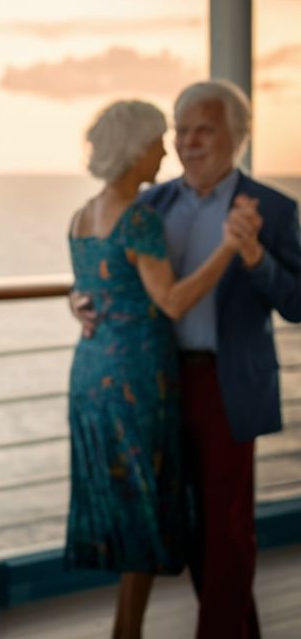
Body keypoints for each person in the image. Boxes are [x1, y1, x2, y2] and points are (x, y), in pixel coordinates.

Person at [71, 82, 301, 639]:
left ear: (238, 137)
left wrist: (253, 256)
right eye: (181, 129)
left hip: (224, 385)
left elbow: (296, 302)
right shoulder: (150, 202)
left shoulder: (272, 208)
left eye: (204, 129)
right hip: (154, 383)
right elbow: (114, 270)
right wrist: (78, 299)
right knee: (183, 527)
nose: (187, 142)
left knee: (225, 532)